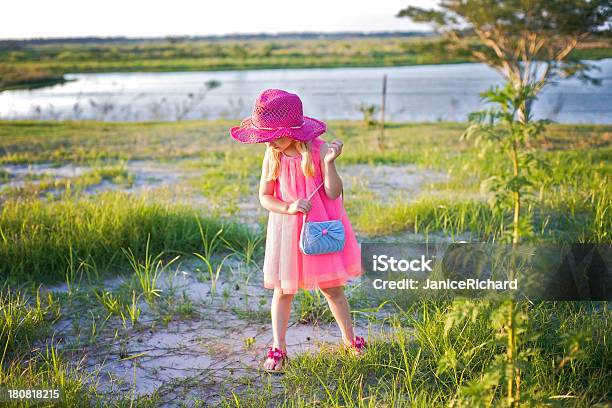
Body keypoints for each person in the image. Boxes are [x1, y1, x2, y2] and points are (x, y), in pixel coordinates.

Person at [229, 89, 365, 373]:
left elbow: (332, 192)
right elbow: (265, 197)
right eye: (267, 136)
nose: (272, 141)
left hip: (318, 227)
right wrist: (288, 207)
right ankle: (279, 347)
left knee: (333, 289)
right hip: (287, 230)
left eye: (276, 135)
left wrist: (329, 163)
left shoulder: (317, 149)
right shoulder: (272, 156)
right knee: (283, 290)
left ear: (294, 130)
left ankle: (350, 340)